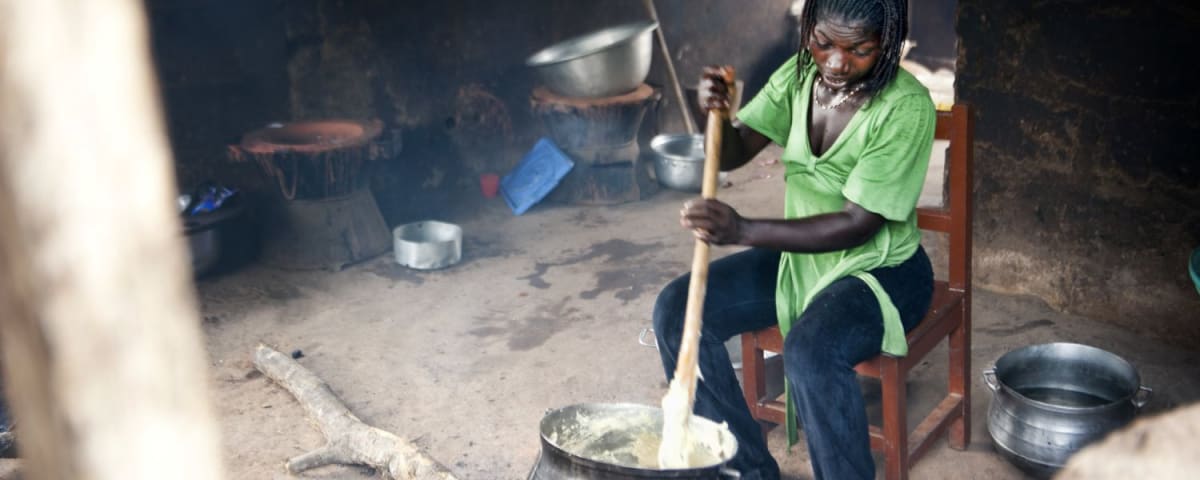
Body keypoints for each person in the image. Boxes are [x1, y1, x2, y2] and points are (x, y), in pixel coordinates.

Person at [651, 0, 936, 479]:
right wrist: (712, 115)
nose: (836, 62)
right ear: (809, 29)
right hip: (801, 259)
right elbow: (733, 151)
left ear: (888, 42)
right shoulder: (800, 75)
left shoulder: (906, 107)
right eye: (823, 42)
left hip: (880, 270)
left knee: (810, 350)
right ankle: (744, 469)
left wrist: (742, 230)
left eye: (860, 49)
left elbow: (856, 224)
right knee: (677, 312)